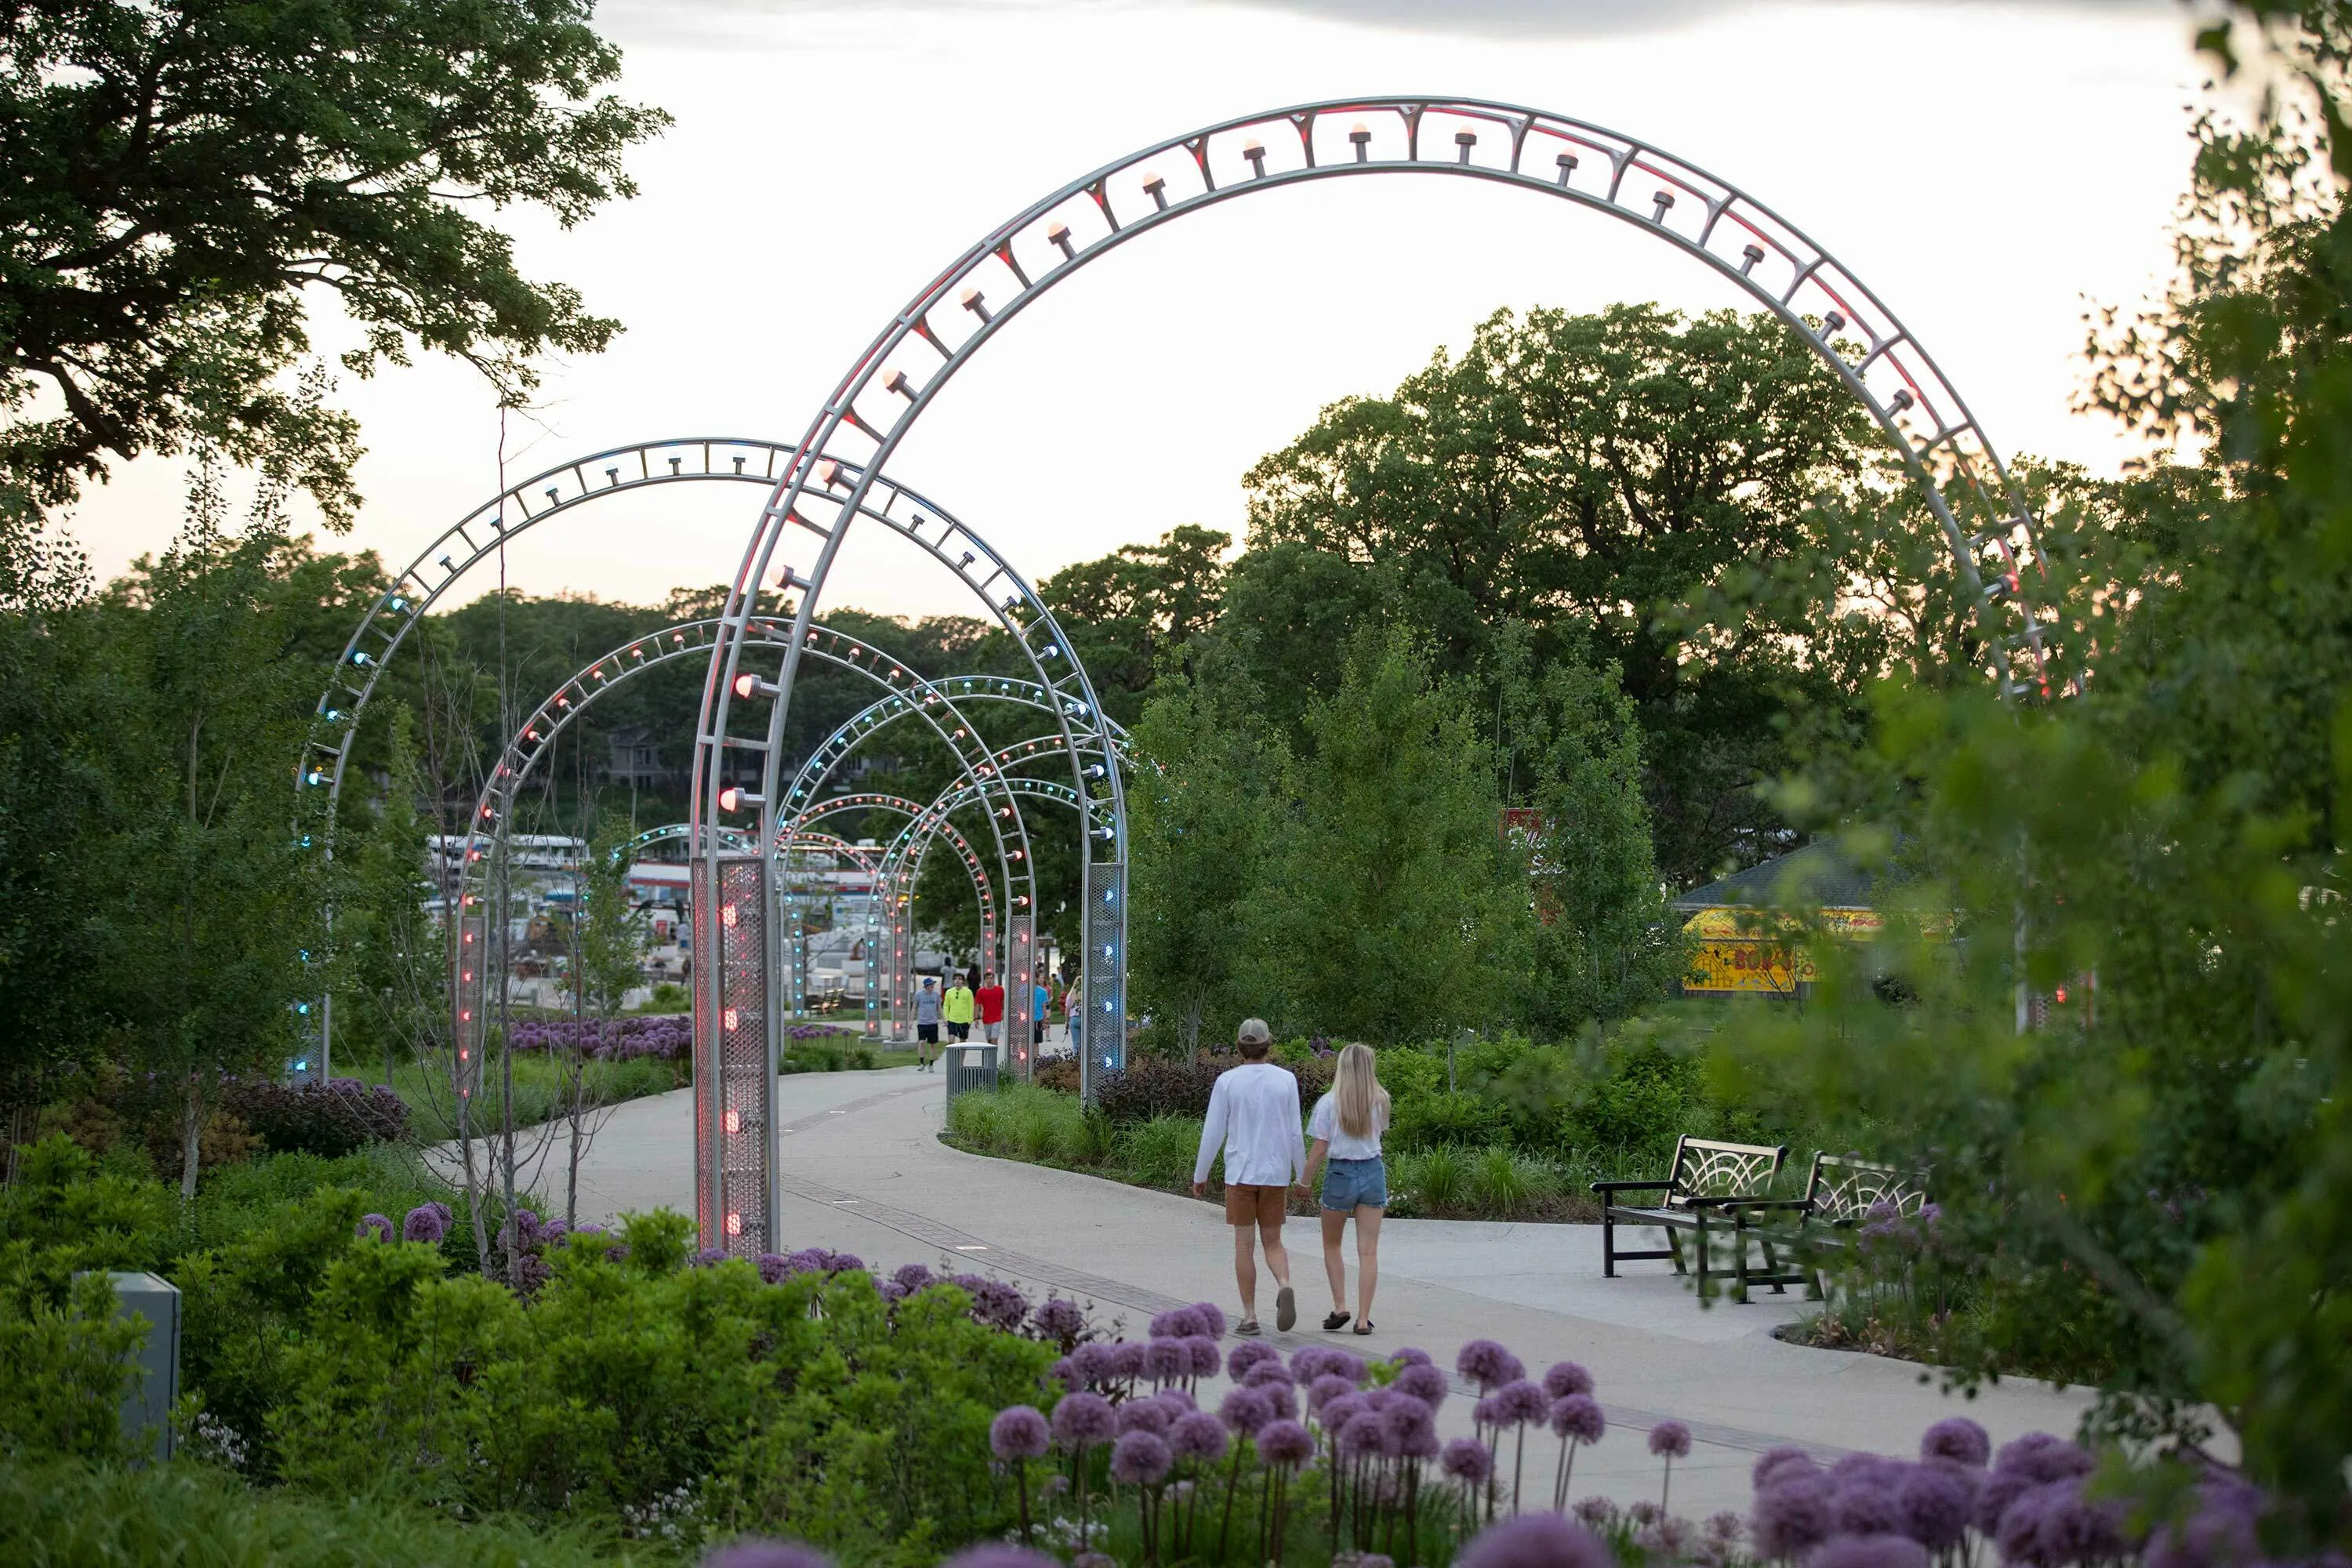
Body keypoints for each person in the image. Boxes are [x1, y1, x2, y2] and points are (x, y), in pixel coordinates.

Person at [1191, 1018, 1304, 1335]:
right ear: (1269, 1045)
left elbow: (1213, 1132)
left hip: (1240, 1173)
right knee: (1274, 1241)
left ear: (1239, 1047)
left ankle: (1250, 1315)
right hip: (1275, 1173)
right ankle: (1283, 1285)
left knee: (1244, 1245)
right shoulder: (1286, 1081)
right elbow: (1295, 1132)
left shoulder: (1228, 1082)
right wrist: (1301, 1174)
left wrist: (1201, 1174)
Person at [1301, 1042, 1390, 1334]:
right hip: (1372, 1171)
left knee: (1332, 1244)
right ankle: (1364, 1319)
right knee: (1368, 1252)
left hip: (1340, 1173)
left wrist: (1304, 1181)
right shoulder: (1380, 1101)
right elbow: (1379, 1136)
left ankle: (1341, 1306)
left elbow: (1318, 1149)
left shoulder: (1328, 1103)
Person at [913, 977, 942, 1069]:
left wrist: (944, 1019)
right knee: (921, 1042)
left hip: (933, 1023)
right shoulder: (919, 995)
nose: (933, 986)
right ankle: (921, 1063)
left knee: (933, 1044)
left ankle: (931, 1064)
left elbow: (939, 1008)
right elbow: (914, 1007)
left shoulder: (936, 995)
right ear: (926, 986)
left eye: (933, 984)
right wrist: (911, 1020)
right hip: (922, 1022)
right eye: (931, 984)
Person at [942, 972, 975, 1044]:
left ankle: (961, 1055)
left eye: (960, 979)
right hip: (952, 1020)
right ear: (953, 981)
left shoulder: (968, 992)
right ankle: (952, 1055)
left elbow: (971, 1006)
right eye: (955, 979)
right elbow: (946, 1006)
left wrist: (970, 1020)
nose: (958, 981)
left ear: (963, 981)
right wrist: (946, 1018)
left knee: (963, 1042)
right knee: (951, 1040)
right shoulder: (949, 992)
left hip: (964, 1020)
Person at [975, 971, 1005, 1047]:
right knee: (989, 1040)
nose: (989, 980)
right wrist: (976, 1018)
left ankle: (994, 1058)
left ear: (993, 979)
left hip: (997, 1018)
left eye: (991, 978)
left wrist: (1003, 1011)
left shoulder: (1000, 989)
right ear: (985, 980)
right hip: (986, 1018)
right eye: (988, 978)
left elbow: (1003, 1001)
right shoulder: (981, 991)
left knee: (994, 1039)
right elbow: (977, 1005)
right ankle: (990, 1056)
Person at [1032, 974, 1049, 1052]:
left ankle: (1035, 1061)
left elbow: (1044, 1007)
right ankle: (1025, 1061)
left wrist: (1045, 1021)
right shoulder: (1023, 990)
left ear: (1036, 978)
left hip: (1037, 1021)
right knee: (1025, 1043)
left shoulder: (1042, 991)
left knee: (1036, 1043)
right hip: (1025, 1021)